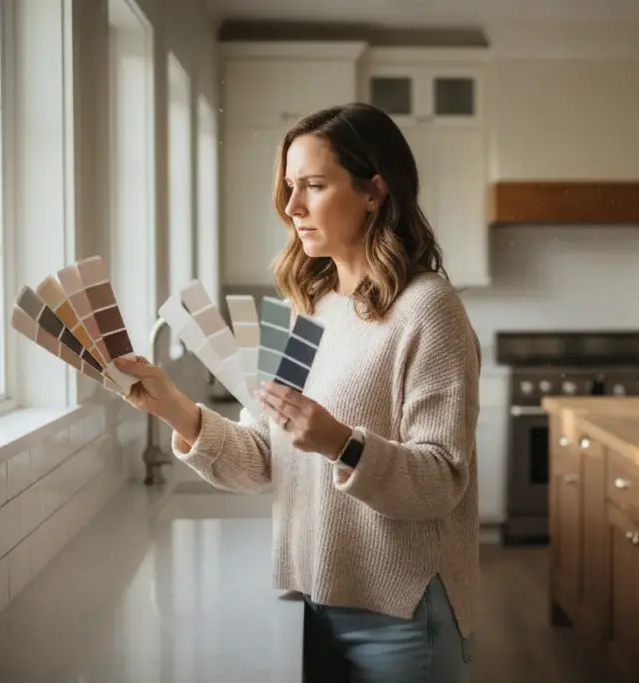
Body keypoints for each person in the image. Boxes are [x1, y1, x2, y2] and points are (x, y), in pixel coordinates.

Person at [115, 102, 481, 683]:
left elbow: (443, 480)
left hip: (402, 614)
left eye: (313, 185)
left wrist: (341, 443)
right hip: (311, 602)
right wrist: (172, 407)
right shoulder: (303, 307)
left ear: (373, 192)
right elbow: (265, 459)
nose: (291, 208)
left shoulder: (427, 309)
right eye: (289, 187)